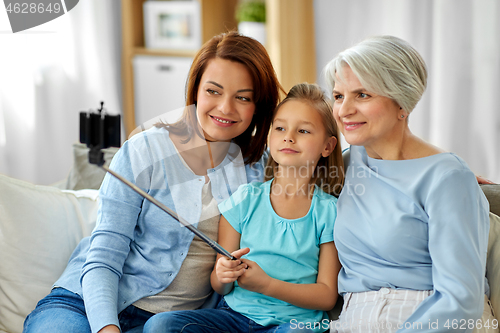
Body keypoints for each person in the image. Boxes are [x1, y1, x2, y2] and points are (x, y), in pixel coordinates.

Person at [23, 31, 283, 333]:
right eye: (213, 91)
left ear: (258, 105)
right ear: (195, 91)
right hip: (86, 304)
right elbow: (104, 255)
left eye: (242, 97)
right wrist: (107, 328)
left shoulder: (260, 168)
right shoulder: (144, 150)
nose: (225, 107)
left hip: (170, 323)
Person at [142, 83, 344, 333]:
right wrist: (223, 273)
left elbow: (326, 297)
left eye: (303, 130)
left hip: (294, 323)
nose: (288, 136)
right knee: (160, 325)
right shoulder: (244, 200)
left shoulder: (330, 212)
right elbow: (220, 286)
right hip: (235, 319)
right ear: (270, 137)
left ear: (328, 146)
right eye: (280, 128)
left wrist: (267, 285)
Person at [324, 35, 491, 332]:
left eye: (362, 95)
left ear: (402, 100)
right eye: (339, 96)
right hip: (350, 320)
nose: (344, 110)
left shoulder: (447, 177)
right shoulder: (346, 163)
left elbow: (461, 299)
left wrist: (452, 180)